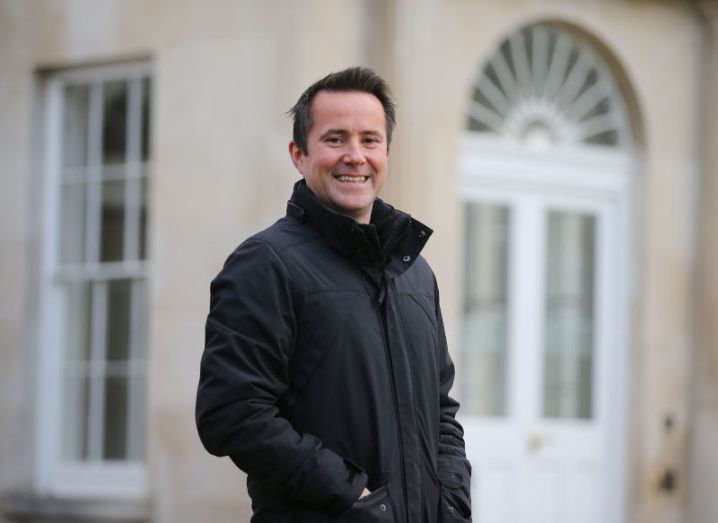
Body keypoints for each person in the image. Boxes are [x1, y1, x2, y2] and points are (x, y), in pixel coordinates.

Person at [196, 67, 471, 523]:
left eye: (369, 140)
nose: (355, 156)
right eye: (335, 139)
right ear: (298, 154)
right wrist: (355, 497)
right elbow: (232, 413)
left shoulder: (415, 274)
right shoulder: (265, 263)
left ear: (386, 152)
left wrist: (451, 499)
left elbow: (441, 410)